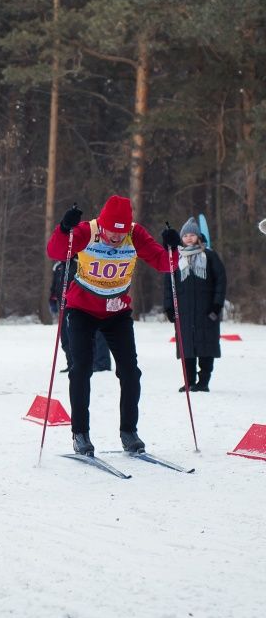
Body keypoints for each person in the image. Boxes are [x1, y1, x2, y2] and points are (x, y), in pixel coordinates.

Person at [48, 195, 180, 456]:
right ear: (103, 224)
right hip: (82, 309)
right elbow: (55, 251)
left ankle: (129, 432)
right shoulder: (87, 231)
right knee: (80, 369)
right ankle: (80, 434)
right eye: (111, 232)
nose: (116, 238)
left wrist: (172, 248)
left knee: (131, 372)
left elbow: (166, 264)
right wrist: (64, 229)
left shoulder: (135, 234)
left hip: (117, 311)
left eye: (121, 234)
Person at [164, 217, 226, 392]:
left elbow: (221, 281)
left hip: (207, 311)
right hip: (183, 312)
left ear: (198, 237)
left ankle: (203, 380)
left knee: (206, 347)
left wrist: (217, 305)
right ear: (181, 238)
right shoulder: (175, 258)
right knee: (186, 348)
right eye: (186, 235)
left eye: (192, 235)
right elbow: (168, 285)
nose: (189, 238)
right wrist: (169, 307)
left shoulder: (210, 256)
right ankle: (189, 380)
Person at [49, 259, 112, 373]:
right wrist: (52, 299)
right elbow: (55, 285)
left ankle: (101, 363)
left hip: (81, 304)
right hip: (64, 305)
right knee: (66, 335)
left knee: (94, 333)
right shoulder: (58, 266)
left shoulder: (81, 261)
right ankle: (72, 363)